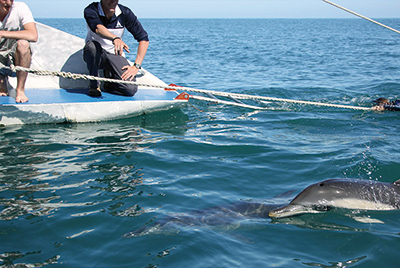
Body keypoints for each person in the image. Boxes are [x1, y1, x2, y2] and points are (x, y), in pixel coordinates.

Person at [83, 0, 149, 97]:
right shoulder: (91, 10)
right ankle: (94, 85)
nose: (112, 1)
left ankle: (110, 83)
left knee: (130, 90)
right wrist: (115, 38)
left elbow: (143, 38)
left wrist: (136, 66)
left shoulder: (124, 12)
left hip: (115, 55)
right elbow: (98, 28)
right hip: (96, 54)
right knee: (91, 47)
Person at [0, 0, 38, 103]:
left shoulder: (20, 7)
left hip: (13, 57)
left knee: (23, 44)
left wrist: (2, 34)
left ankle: (20, 89)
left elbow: (33, 35)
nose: (8, 2)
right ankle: (1, 79)